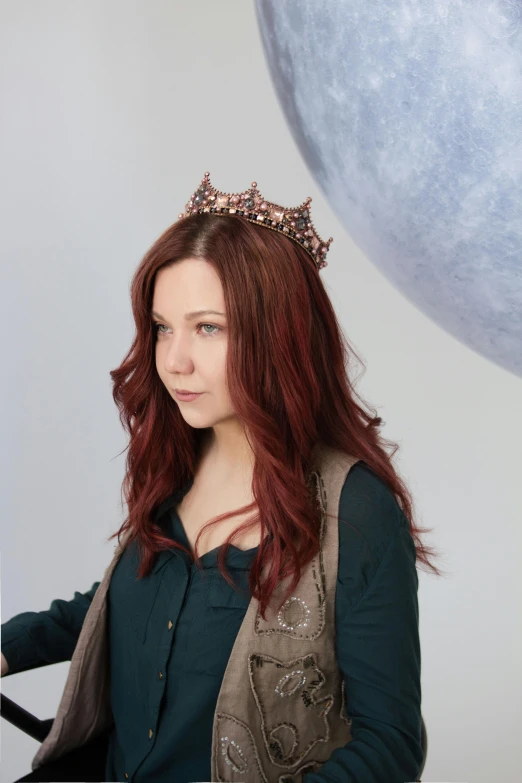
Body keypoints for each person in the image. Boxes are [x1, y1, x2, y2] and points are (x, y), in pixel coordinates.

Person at [2, 173, 443, 783]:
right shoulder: (175, 462)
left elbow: (389, 746)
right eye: (162, 327)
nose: (173, 360)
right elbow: (125, 604)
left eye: (208, 327)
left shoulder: (357, 513)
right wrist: (8, 647)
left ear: (279, 335)